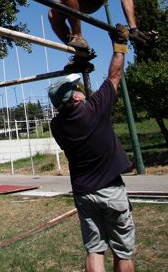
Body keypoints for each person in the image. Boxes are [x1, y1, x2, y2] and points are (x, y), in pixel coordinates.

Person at [49, 26, 136, 272]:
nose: (81, 90)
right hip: (111, 190)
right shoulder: (94, 110)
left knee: (94, 249)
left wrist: (74, 72)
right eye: (77, 90)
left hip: (84, 193)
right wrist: (119, 46)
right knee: (122, 252)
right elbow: (115, 75)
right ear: (76, 99)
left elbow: (66, 104)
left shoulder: (57, 126)